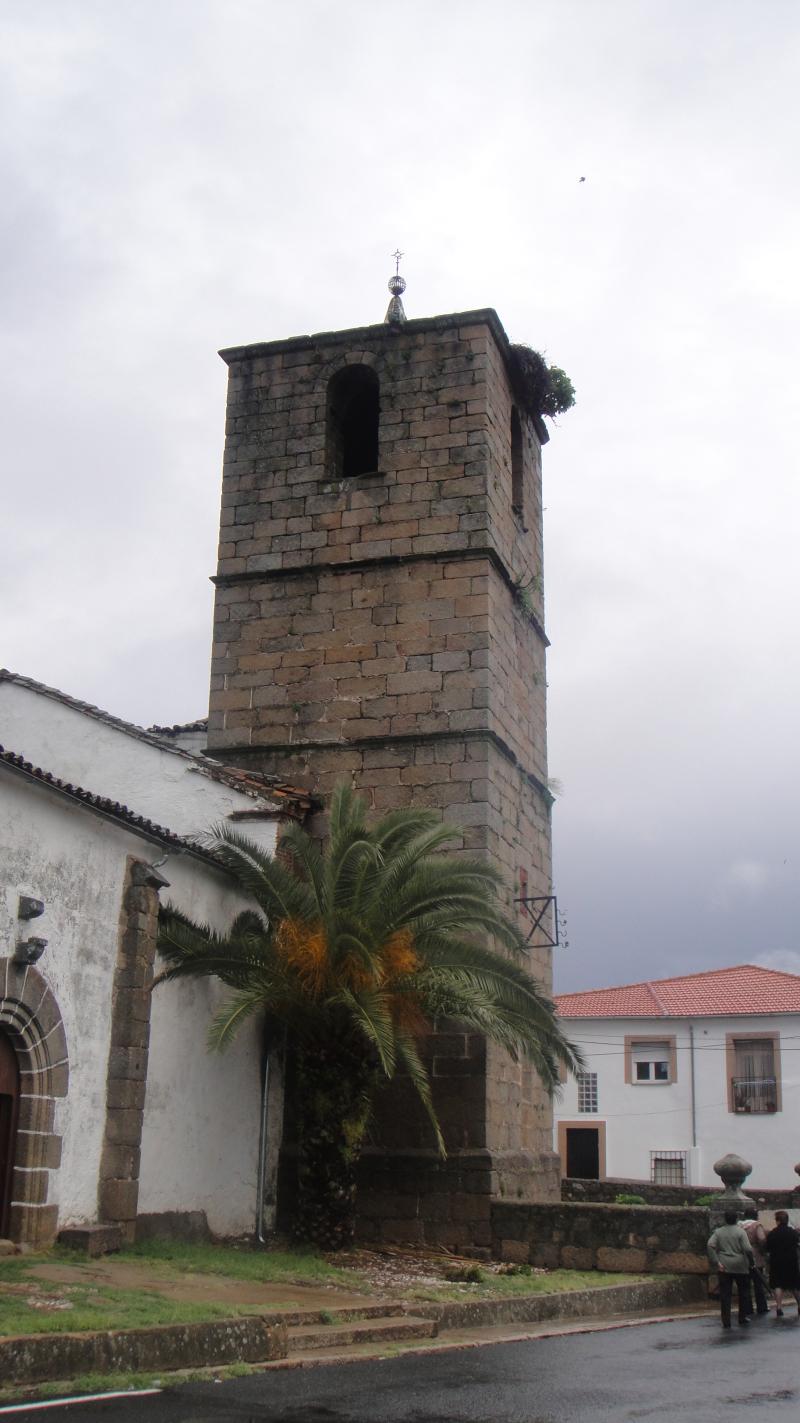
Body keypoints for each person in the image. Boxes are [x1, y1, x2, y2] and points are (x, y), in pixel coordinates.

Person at [707, 1209, 754, 1328]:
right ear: (737, 1219)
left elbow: (710, 1245)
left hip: (724, 1265)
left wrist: (716, 1261)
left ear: (725, 1219)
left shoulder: (718, 1232)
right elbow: (748, 1249)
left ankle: (726, 1320)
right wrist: (750, 1261)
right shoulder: (741, 1232)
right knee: (743, 1292)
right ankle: (742, 1317)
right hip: (740, 1265)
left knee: (725, 1294)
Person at [765, 1210, 800, 1317]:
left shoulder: (773, 1233)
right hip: (791, 1261)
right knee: (794, 1284)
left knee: (778, 1284)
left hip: (776, 1261)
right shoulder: (793, 1233)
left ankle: (779, 1307)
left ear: (778, 1221)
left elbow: (767, 1248)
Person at [741, 1207, 770, 1315]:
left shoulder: (740, 1225)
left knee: (745, 1284)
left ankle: (748, 1307)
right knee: (758, 1283)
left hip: (742, 1257)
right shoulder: (756, 1225)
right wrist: (763, 1251)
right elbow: (761, 1239)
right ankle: (761, 1306)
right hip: (755, 1256)